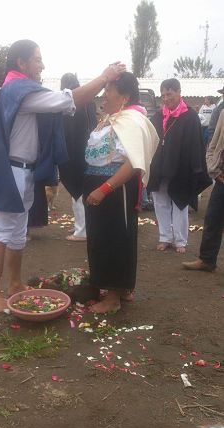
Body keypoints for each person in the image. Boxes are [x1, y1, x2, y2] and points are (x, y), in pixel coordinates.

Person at [0, 39, 125, 312]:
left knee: (17, 233)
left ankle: (14, 284)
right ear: (21, 63)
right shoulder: (18, 89)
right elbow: (68, 100)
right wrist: (104, 77)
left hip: (23, 171)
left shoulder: (18, 89)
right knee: (0, 233)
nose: (42, 64)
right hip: (10, 172)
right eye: (37, 59)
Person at [83, 72, 159, 313]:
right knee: (102, 238)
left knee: (115, 238)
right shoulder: (110, 120)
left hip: (115, 189)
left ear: (124, 97)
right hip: (99, 186)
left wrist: (104, 189)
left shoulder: (130, 120)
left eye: (109, 90)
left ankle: (113, 297)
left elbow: (133, 163)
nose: (104, 94)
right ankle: (121, 288)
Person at [147, 78, 211, 253]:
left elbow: (197, 145)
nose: (166, 98)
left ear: (179, 92)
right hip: (160, 167)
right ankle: (165, 237)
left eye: (170, 94)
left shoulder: (190, 116)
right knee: (160, 202)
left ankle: (180, 240)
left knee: (180, 202)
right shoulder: (158, 116)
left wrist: (196, 168)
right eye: (163, 95)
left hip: (181, 168)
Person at [182, 109, 224, 272]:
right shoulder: (223, 113)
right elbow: (214, 143)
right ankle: (207, 260)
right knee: (213, 218)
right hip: (221, 177)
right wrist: (213, 168)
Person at [59, 73, 97, 242]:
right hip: (90, 150)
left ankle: (82, 230)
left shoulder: (70, 105)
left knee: (78, 190)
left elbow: (68, 132)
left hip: (74, 151)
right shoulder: (89, 102)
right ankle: (84, 225)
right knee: (85, 188)